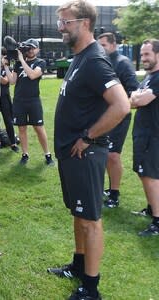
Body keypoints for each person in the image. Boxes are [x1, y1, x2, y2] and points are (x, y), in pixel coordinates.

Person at [48, 1, 130, 299]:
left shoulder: (95, 60)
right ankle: (78, 265)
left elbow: (121, 105)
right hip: (71, 155)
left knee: (91, 220)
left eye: (65, 22)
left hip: (85, 153)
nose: (60, 27)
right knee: (78, 214)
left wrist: (88, 136)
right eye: (60, 21)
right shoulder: (79, 57)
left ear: (84, 23)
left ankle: (91, 288)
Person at [97, 32, 139, 208]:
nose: (101, 49)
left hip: (119, 117)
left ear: (113, 45)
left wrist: (119, 107)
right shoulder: (102, 62)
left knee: (113, 155)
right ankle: (108, 188)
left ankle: (114, 194)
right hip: (103, 117)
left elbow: (134, 91)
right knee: (104, 154)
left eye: (104, 45)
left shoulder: (122, 63)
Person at [3, 38, 54, 166]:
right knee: (21, 128)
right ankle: (25, 154)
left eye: (33, 48)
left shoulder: (40, 62)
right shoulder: (19, 64)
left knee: (38, 127)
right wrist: (6, 66)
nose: (30, 50)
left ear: (38, 49)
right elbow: (12, 81)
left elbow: (32, 75)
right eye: (28, 48)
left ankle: (47, 154)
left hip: (33, 100)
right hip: (19, 100)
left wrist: (21, 60)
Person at [130, 39, 159, 236]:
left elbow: (140, 99)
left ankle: (157, 222)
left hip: (152, 135)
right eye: (142, 55)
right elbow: (134, 99)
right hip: (144, 134)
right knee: (144, 174)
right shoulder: (150, 77)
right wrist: (137, 96)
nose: (143, 59)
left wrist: (137, 96)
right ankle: (151, 208)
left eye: (147, 54)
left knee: (150, 176)